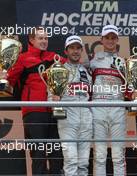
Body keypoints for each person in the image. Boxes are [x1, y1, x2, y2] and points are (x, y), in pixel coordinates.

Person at [0, 27, 64, 175]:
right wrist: (2, 79)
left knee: (56, 154)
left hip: (55, 112)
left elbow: (71, 70)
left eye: (46, 38)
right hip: (34, 112)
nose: (44, 41)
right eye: (40, 38)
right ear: (31, 40)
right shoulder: (22, 59)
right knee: (38, 155)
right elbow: (9, 85)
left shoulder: (54, 57)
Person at [48, 35, 92, 176]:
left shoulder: (86, 71)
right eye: (72, 48)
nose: (75, 51)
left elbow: (90, 97)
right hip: (67, 120)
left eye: (78, 48)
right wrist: (54, 101)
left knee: (84, 164)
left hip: (86, 121)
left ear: (81, 51)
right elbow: (50, 98)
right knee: (71, 161)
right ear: (66, 51)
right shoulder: (57, 70)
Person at [90, 24, 128, 176]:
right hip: (98, 108)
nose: (110, 41)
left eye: (113, 38)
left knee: (118, 155)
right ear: (102, 40)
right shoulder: (92, 61)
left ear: (117, 40)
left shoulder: (124, 62)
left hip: (118, 108)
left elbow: (130, 87)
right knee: (99, 155)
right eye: (107, 38)